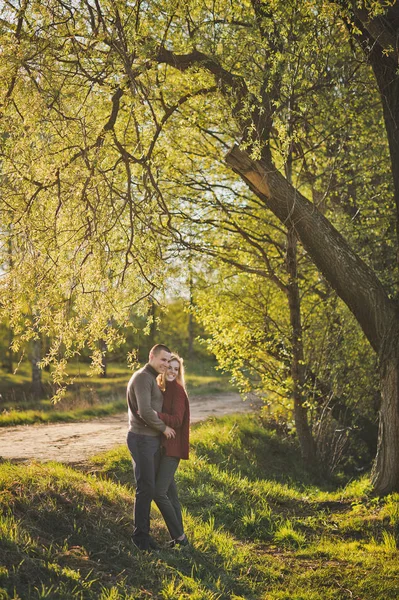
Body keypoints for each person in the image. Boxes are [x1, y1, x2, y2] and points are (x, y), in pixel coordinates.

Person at [126, 344, 176, 552]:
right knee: (145, 489)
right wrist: (163, 428)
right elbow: (144, 411)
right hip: (141, 440)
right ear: (151, 356)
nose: (166, 364)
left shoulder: (152, 377)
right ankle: (141, 539)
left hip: (150, 441)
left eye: (168, 360)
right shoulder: (142, 378)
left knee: (153, 488)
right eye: (163, 359)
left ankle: (154, 535)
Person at [153, 354, 190, 548]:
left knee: (158, 493)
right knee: (171, 495)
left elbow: (177, 420)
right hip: (165, 448)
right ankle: (180, 541)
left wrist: (156, 415)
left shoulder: (177, 391)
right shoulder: (164, 390)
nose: (172, 371)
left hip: (172, 450)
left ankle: (181, 537)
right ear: (164, 368)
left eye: (176, 369)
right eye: (170, 368)